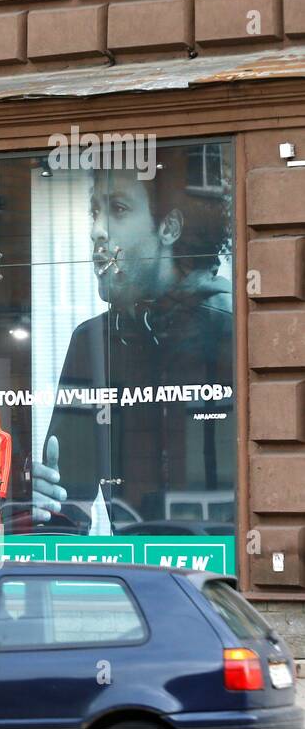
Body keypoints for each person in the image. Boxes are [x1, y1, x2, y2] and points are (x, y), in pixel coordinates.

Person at [31, 161, 234, 530]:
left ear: (169, 228)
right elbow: (66, 511)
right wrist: (40, 503)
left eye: (118, 209)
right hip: (133, 572)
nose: (96, 231)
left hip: (220, 568)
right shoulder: (91, 341)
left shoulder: (230, 329)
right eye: (95, 211)